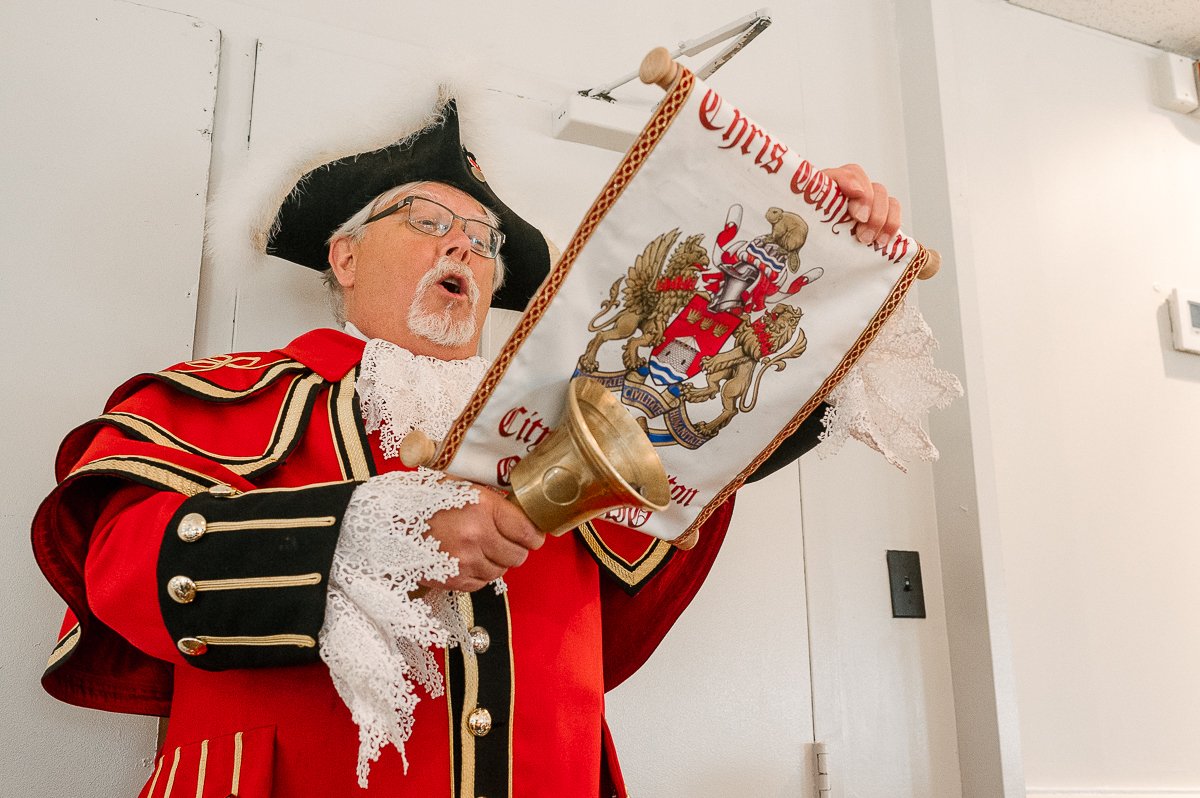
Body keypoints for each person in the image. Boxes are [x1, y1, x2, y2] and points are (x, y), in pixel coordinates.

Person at [31, 94, 903, 798]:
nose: (467, 248)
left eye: (486, 245)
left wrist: (812, 245)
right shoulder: (228, 397)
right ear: (342, 255)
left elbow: (718, 422)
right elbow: (120, 570)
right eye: (425, 221)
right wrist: (369, 534)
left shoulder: (582, 415)